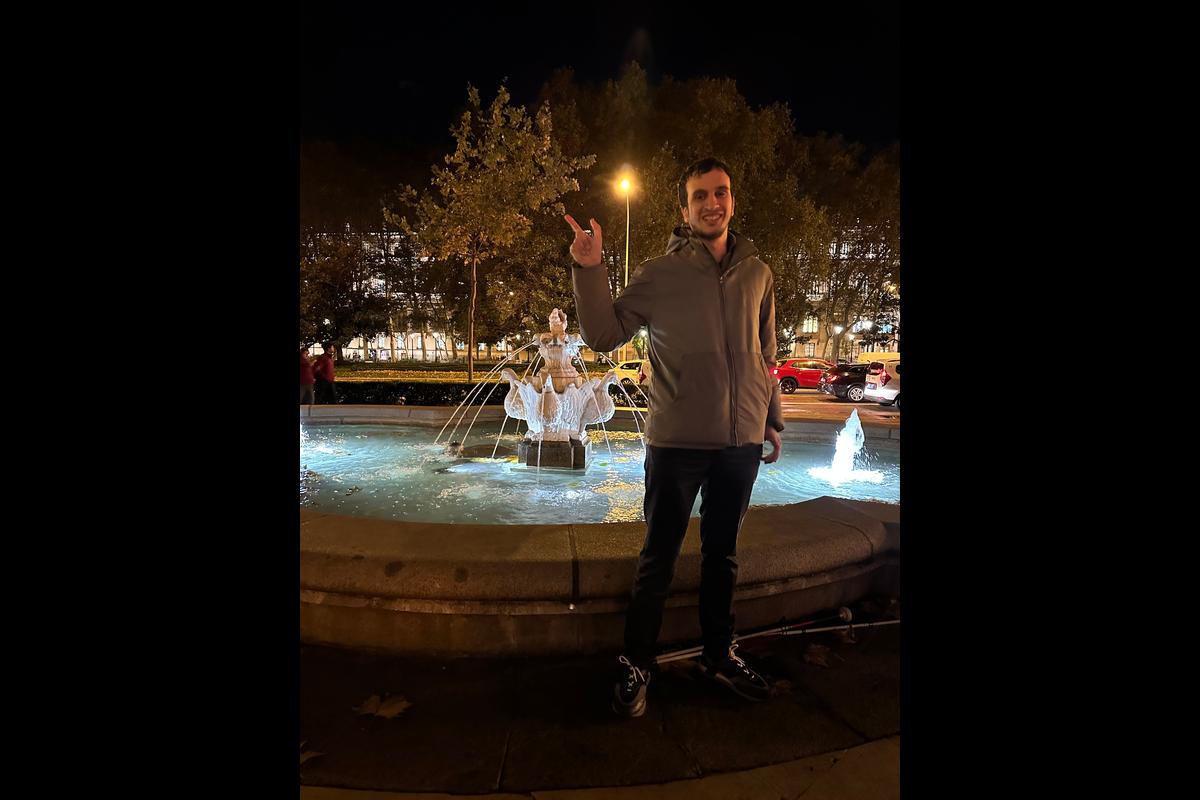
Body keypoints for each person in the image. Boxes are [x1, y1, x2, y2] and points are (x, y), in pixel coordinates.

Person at [565, 157, 785, 718]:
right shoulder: (659, 274)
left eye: (721, 192)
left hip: (739, 443)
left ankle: (718, 653)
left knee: (723, 556)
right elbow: (603, 334)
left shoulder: (758, 273)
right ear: (684, 211)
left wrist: (771, 419)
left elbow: (766, 354)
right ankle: (637, 661)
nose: (713, 203)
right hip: (676, 444)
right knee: (658, 558)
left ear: (732, 200)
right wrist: (590, 269)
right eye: (700, 196)